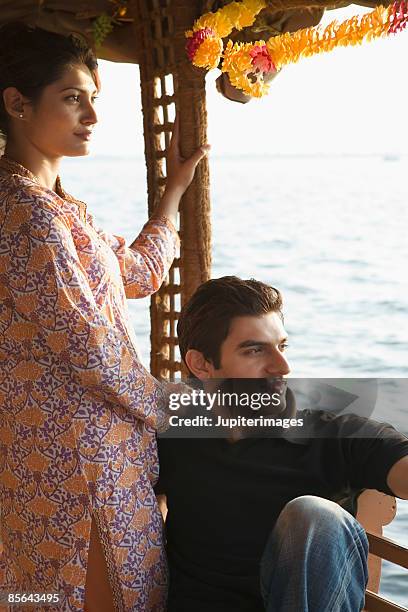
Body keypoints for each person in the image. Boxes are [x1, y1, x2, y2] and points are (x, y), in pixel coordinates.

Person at [0, 23, 209, 612]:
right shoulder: (24, 216)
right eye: (72, 97)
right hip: (72, 463)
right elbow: (91, 348)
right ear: (17, 103)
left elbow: (137, 273)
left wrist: (172, 194)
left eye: (94, 98)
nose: (91, 114)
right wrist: (183, 407)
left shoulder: (63, 211)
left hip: (98, 452)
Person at [156, 276, 408, 612]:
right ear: (202, 364)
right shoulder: (173, 438)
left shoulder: (335, 436)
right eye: (255, 350)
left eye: (282, 346)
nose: (282, 366)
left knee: (313, 515)